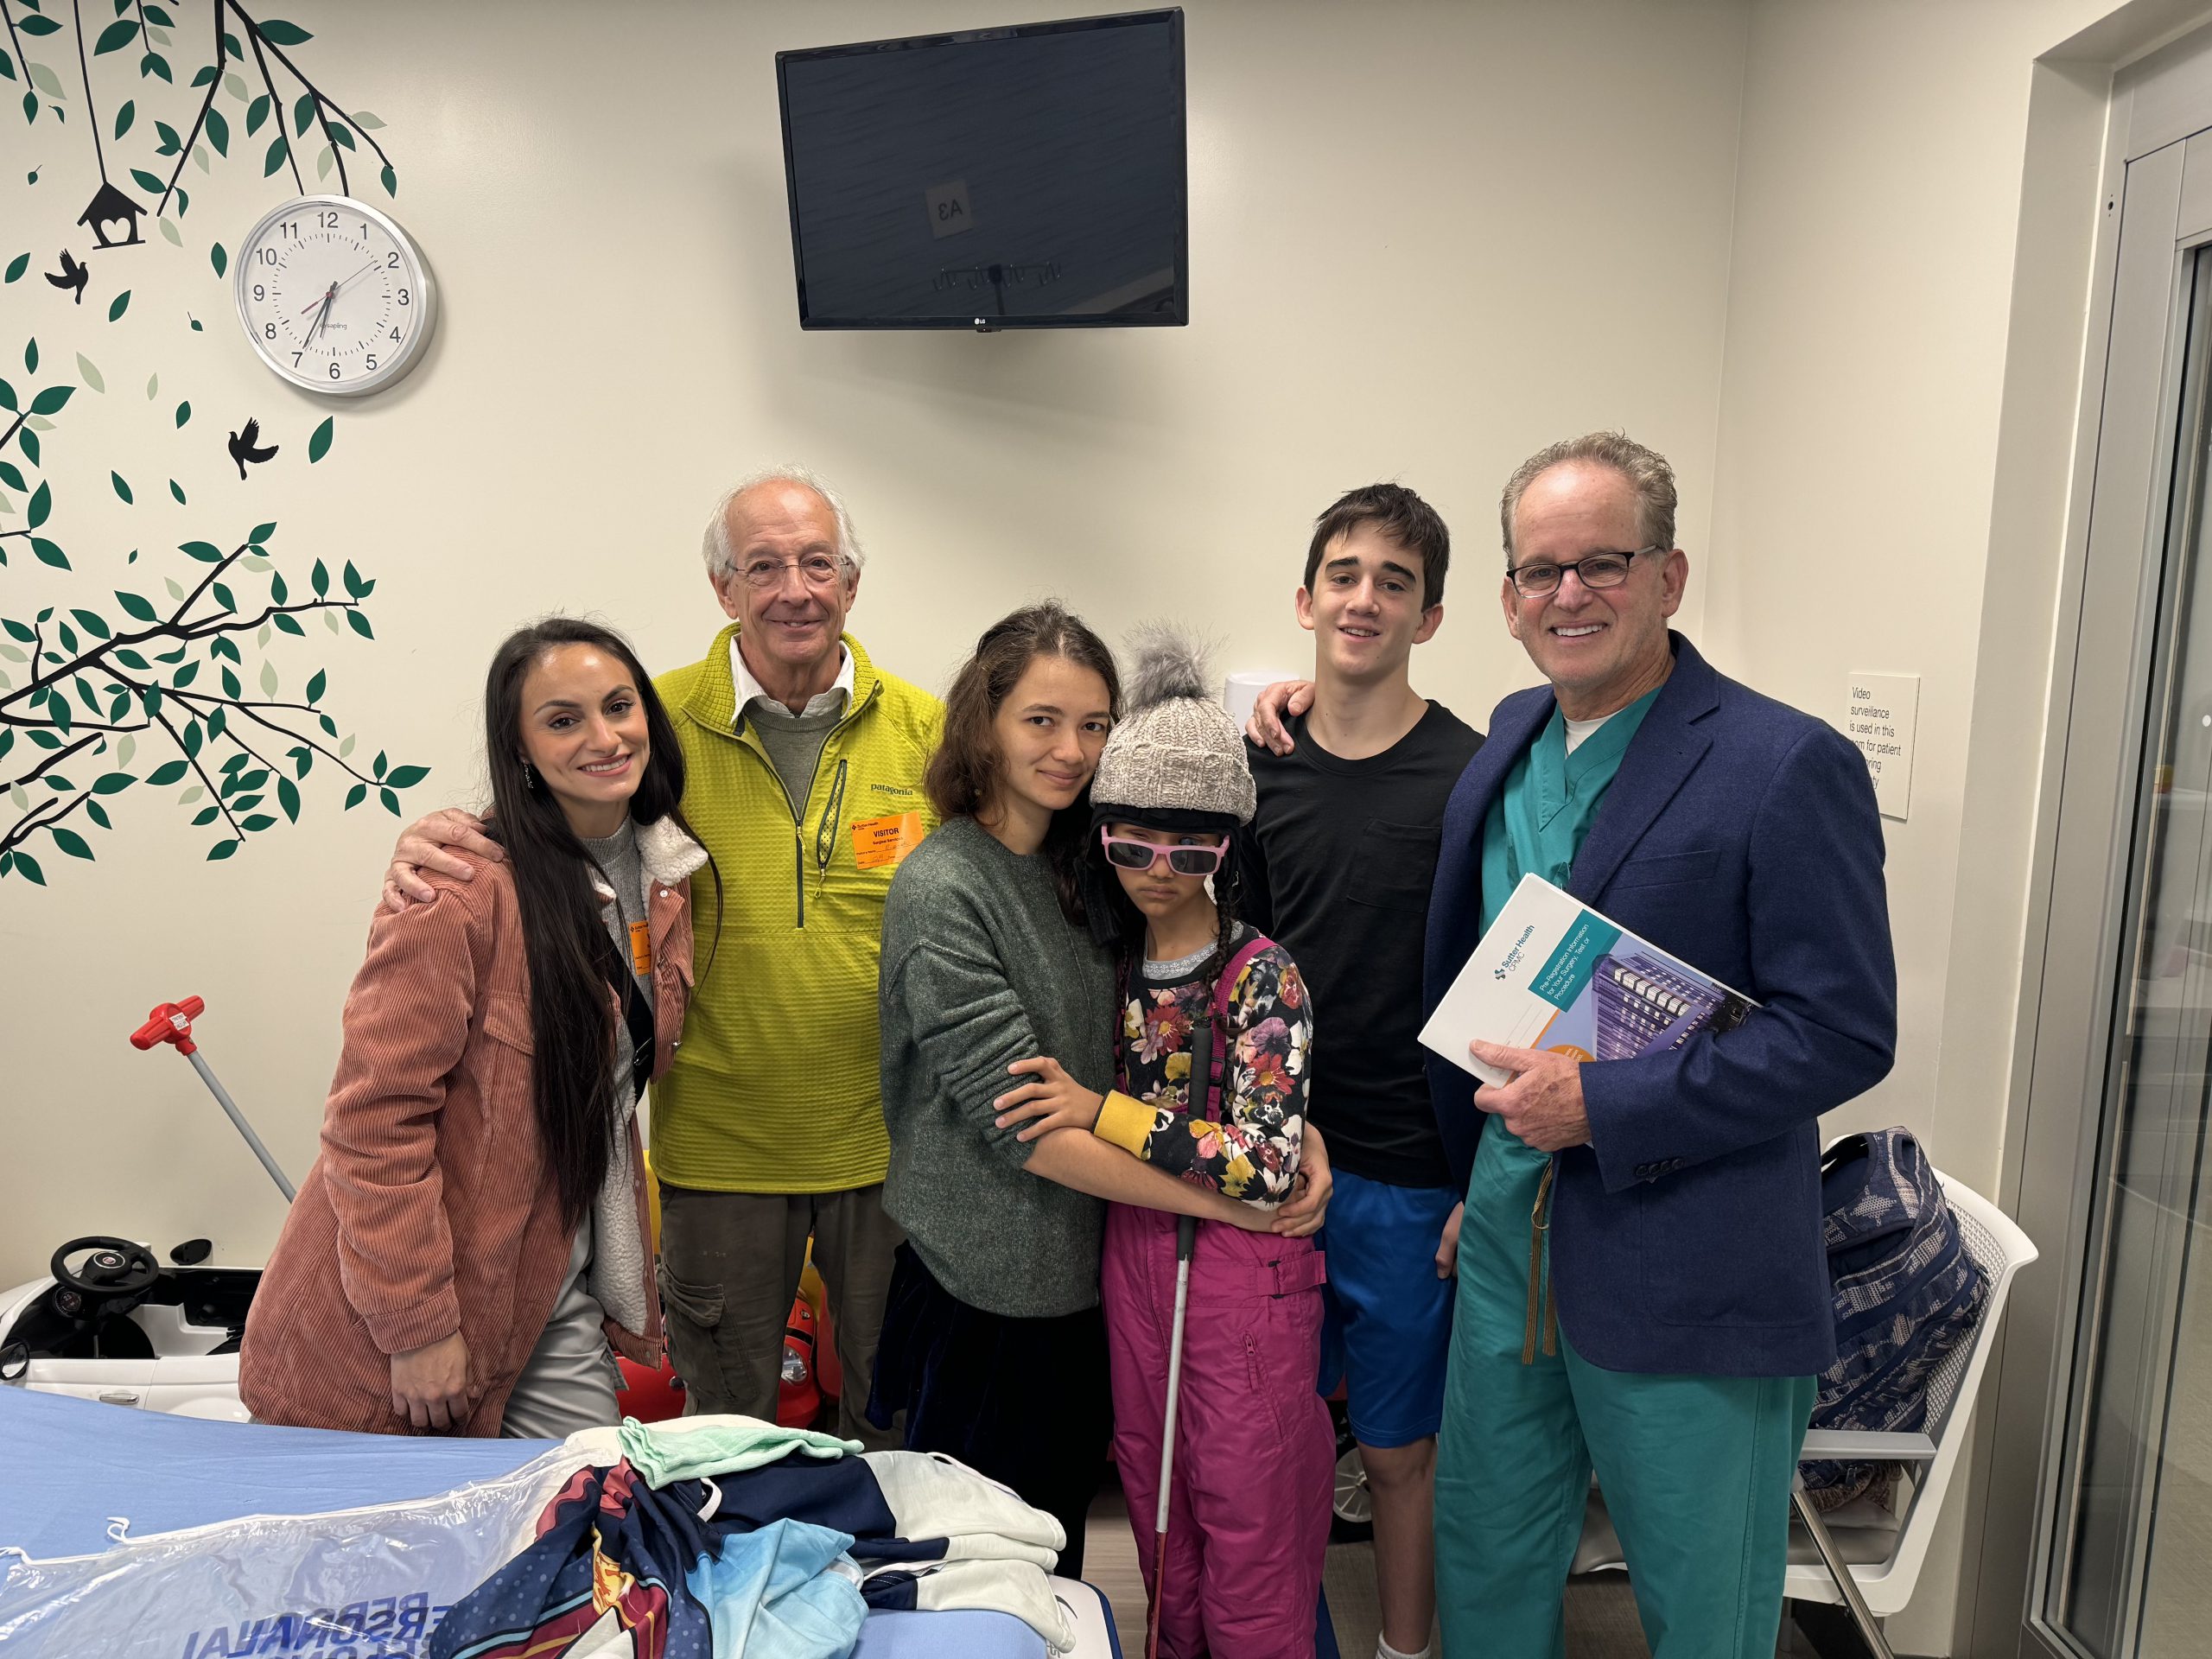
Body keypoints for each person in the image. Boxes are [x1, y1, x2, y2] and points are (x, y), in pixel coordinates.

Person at [1421, 433, 1897, 1656]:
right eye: (1538, 571)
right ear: (1507, 598)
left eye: (1603, 564)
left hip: (1690, 1260)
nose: (1567, 594)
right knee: (1488, 1553)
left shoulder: (1783, 763)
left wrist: (1607, 1109)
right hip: (1507, 1246)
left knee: (1702, 1603)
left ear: (1670, 577)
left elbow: (1843, 1030)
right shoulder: (1511, 737)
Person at [380, 469, 940, 1446]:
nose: (793, 590)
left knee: (891, 1421)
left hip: (888, 1156)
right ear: (723, 589)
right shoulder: (651, 724)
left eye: (817, 563)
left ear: (853, 581)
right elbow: (543, 820)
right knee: (723, 1436)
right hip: (718, 1160)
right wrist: (435, 837)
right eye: (762, 567)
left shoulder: (931, 731)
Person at [868, 604, 1320, 1580]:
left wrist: (1289, 1138)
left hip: (1095, 1284)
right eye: (1041, 720)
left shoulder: (1107, 868)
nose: (1071, 750)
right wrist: (1241, 1194)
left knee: (1060, 1570)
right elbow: (1030, 1127)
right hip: (982, 1297)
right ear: (983, 723)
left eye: (1094, 724)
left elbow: (1186, 1040)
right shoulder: (944, 887)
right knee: (968, 1582)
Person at [242, 619, 709, 1437]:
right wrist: (417, 1327)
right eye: (563, 720)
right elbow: (371, 1125)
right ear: (521, 749)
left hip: (549, 1283)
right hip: (409, 1304)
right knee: (389, 1551)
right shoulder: (458, 894)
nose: (604, 737)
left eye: (619, 706)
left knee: (578, 1511)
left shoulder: (668, 879)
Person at [995, 629, 1333, 1656]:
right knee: (1155, 1512)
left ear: (1228, 851)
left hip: (1243, 1277)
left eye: (1191, 851)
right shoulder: (1097, 964)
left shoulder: (1261, 976)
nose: (1158, 870)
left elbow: (1266, 1166)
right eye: (1132, 844)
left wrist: (1103, 1110)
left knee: (1250, 1524)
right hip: (1132, 1262)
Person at [1242, 483, 1481, 1659]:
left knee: (1396, 1451)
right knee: (1275, 1447)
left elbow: (1513, 995)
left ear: (1429, 617)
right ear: (1305, 598)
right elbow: (1231, 971)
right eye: (1344, 573)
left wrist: (1486, 1182)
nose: (1365, 597)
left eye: (1395, 581)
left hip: (1414, 1173)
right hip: (1276, 1170)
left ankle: (1403, 1650)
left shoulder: (1476, 776)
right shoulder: (1260, 767)